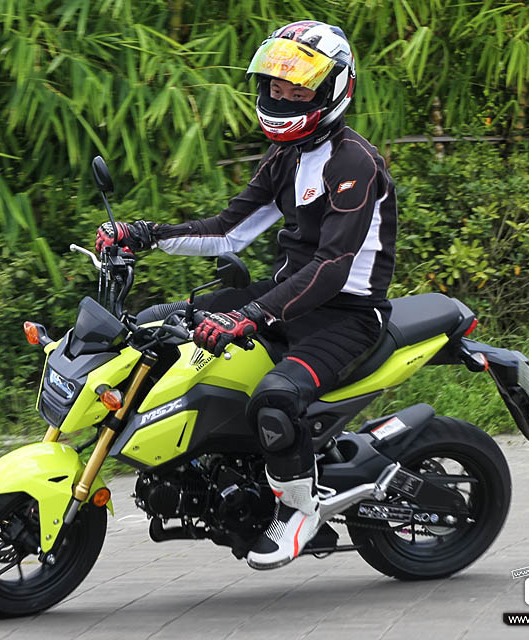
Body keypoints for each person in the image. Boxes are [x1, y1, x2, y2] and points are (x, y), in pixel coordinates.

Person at [95, 20, 397, 570]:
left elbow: (332, 268)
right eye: (276, 85)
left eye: (297, 87)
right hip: (284, 297)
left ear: (334, 90)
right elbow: (229, 230)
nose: (282, 96)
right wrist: (143, 235)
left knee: (274, 399)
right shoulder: (285, 157)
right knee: (160, 325)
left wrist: (251, 314)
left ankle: (300, 512)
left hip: (346, 315)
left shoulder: (354, 163)